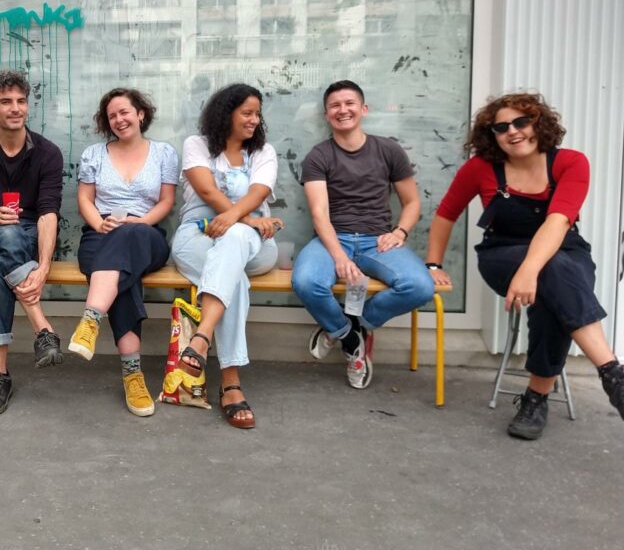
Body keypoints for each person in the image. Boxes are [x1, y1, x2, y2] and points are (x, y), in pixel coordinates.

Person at [426, 92, 623, 439]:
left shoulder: (570, 162)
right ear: (493, 136)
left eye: (521, 122)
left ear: (539, 123)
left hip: (564, 251)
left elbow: (558, 221)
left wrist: (531, 270)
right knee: (555, 274)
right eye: (501, 127)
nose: (512, 132)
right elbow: (445, 214)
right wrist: (432, 264)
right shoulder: (481, 169)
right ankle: (612, 374)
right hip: (502, 255)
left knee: (553, 285)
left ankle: (536, 400)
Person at [292, 80, 434, 390]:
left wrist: (400, 231)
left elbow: (412, 202)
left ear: (363, 109)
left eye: (349, 103)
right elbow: (319, 214)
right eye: (335, 106)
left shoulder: (388, 150)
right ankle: (350, 339)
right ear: (327, 114)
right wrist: (340, 257)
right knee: (306, 281)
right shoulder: (318, 156)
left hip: (378, 240)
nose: (343, 110)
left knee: (420, 286)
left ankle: (348, 326)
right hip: (334, 238)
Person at [170, 84, 284, 429]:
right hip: (198, 236)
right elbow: (205, 189)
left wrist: (236, 222)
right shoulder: (198, 145)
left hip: (255, 245)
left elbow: (259, 192)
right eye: (247, 113)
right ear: (226, 114)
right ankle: (231, 383)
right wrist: (247, 220)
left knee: (234, 241)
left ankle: (201, 338)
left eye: (257, 113)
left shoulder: (264, 152)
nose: (254, 120)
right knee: (233, 275)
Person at [67, 88, 178, 417]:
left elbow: (167, 202)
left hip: (148, 237)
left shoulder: (163, 153)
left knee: (128, 241)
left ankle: (90, 320)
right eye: (112, 115)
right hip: (99, 238)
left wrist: (139, 223)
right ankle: (133, 375)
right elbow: (85, 200)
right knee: (122, 279)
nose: (119, 119)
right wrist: (99, 223)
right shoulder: (94, 154)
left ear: (141, 113)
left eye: (125, 112)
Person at [0, 69, 65, 418]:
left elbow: (49, 213)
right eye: (6, 102)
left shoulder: (47, 153)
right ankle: (42, 326)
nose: (15, 108)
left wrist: (45, 267)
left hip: (31, 237)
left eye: (21, 101)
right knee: (3, 236)